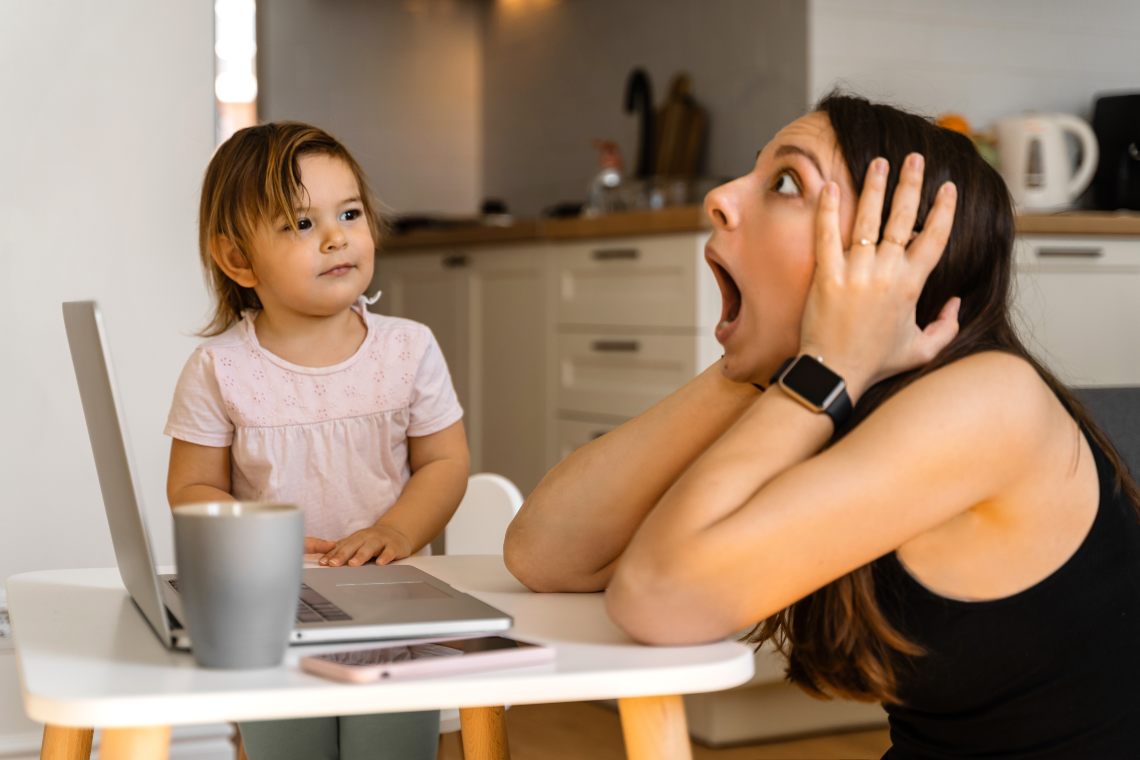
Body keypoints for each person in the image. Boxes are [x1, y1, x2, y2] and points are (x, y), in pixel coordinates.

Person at [504, 92, 1140, 757]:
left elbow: (660, 599)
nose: (719, 197)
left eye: (786, 183)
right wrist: (774, 367)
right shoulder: (834, 388)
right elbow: (547, 553)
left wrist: (823, 362)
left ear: (897, 252)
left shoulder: (990, 400)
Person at [165, 121, 469, 760]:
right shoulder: (219, 369)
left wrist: (397, 531)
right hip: (273, 613)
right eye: (301, 224)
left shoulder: (407, 348)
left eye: (350, 213)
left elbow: (444, 462)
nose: (337, 237)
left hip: (394, 604)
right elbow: (191, 487)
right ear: (237, 259)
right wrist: (258, 530)